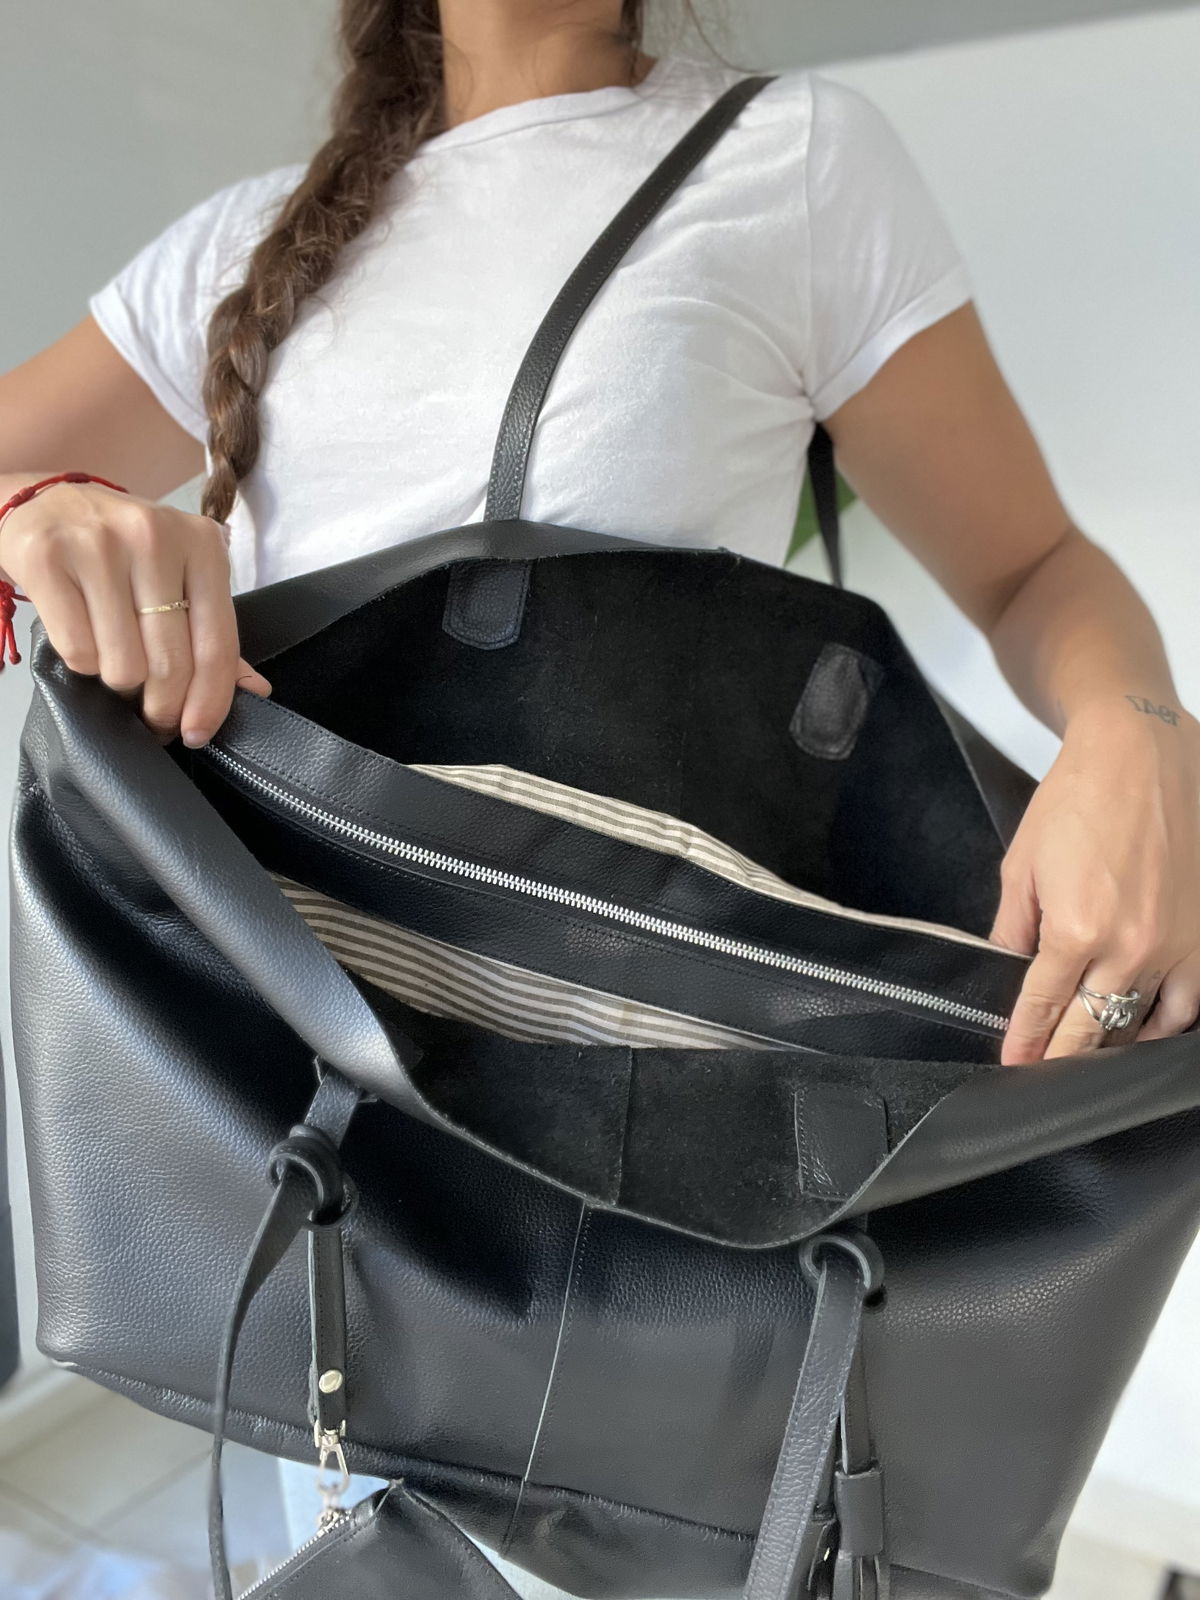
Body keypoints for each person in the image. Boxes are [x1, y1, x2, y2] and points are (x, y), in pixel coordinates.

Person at [2, 0, 1198, 1583]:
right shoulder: (234, 247)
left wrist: (1139, 729)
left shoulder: (792, 159)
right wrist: (46, 509)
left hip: (653, 1151)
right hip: (321, 1154)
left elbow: (1032, 565)